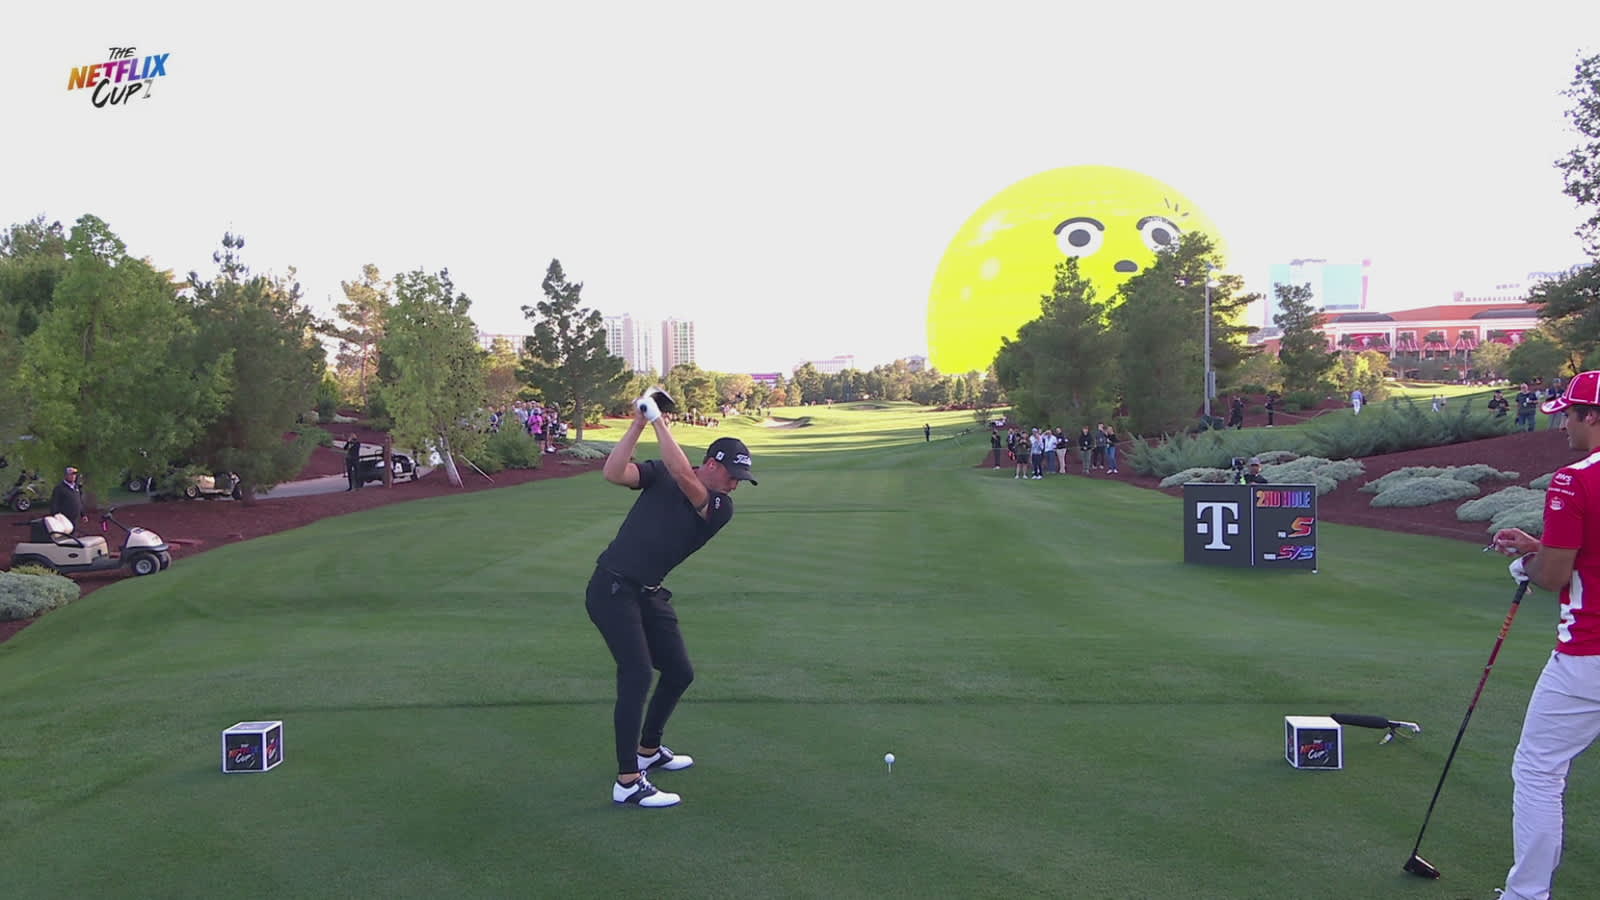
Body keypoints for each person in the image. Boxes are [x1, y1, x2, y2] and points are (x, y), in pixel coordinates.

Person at [588, 391, 757, 808]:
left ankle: (648, 751)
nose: (737, 483)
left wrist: (659, 419)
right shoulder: (662, 472)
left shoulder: (721, 506)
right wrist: (640, 423)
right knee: (638, 674)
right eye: (733, 474)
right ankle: (628, 780)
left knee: (679, 672)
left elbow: (686, 478)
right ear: (713, 464)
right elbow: (613, 473)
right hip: (611, 588)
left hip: (647, 592)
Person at [1490, 369, 1600, 899]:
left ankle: (1525, 895)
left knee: (1538, 771)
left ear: (1592, 417)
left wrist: (1528, 562)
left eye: (1570, 415)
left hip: (1588, 656)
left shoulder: (1574, 479)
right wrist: (1541, 545)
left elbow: (1554, 576)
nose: (1563, 425)